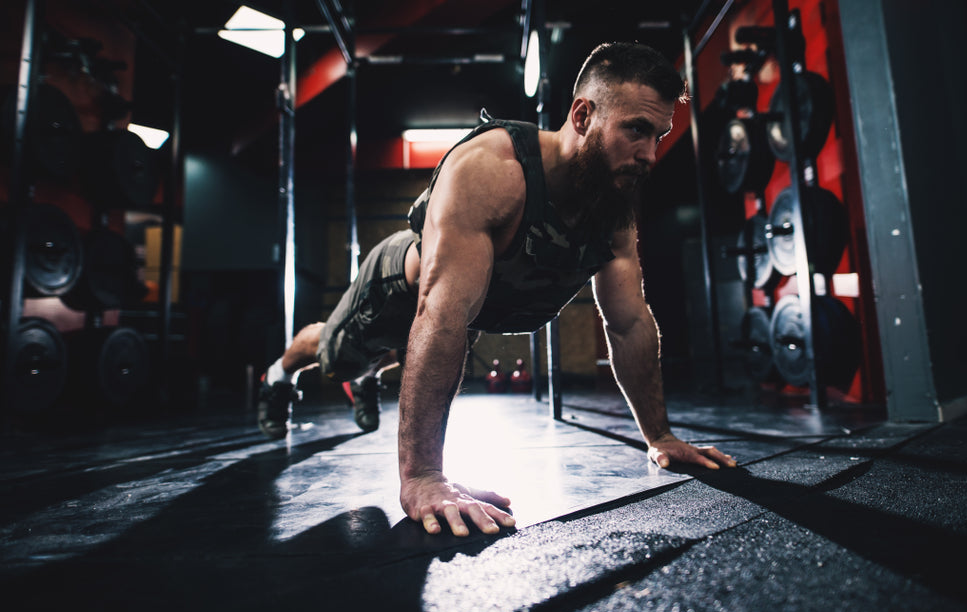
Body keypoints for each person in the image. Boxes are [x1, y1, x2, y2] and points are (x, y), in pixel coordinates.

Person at [257, 41, 737, 537]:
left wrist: (660, 436)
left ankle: (369, 371)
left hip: (453, 316)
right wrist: (424, 477)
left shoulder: (611, 206)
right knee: (339, 357)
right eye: (636, 130)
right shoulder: (493, 170)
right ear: (581, 115)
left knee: (407, 351)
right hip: (397, 292)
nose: (650, 154)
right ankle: (279, 375)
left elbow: (629, 322)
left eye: (659, 135)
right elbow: (440, 317)